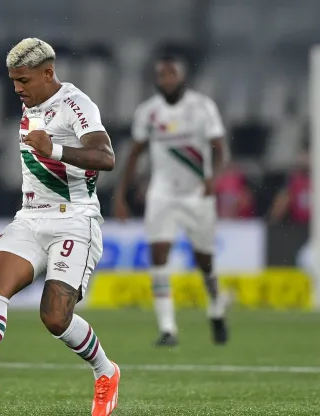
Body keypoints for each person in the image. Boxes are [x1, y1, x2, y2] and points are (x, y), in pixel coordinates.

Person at [0, 38, 120, 416]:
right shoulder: (31, 104)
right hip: (30, 216)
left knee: (55, 317)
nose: (17, 89)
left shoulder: (76, 104)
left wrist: (54, 150)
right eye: (13, 81)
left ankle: (105, 371)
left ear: (48, 73)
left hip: (75, 219)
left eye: (23, 80)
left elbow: (106, 157)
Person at [113, 56, 229, 347]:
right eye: (161, 75)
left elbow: (220, 149)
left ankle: (216, 308)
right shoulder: (148, 112)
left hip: (196, 194)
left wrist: (212, 178)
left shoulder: (202, 107)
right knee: (159, 255)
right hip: (162, 193)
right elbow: (135, 154)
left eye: (171, 74)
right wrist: (121, 195)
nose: (166, 80)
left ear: (182, 77)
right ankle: (168, 329)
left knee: (205, 262)